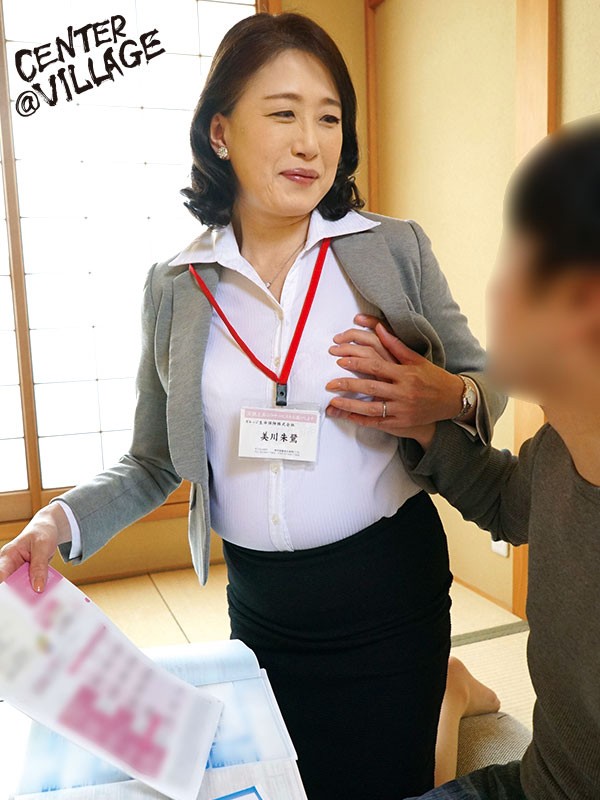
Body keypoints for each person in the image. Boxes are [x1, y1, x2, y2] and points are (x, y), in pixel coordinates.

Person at [0, 13, 506, 799]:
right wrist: (53, 523)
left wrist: (449, 395)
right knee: (291, 783)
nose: (310, 142)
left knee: (392, 780)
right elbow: (152, 460)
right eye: (283, 113)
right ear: (221, 133)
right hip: (265, 606)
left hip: (387, 590)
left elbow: (482, 379)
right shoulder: (176, 285)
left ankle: (442, 691)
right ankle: (450, 689)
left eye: (329, 118)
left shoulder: (389, 248)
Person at [329, 117, 600, 799]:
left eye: (519, 259)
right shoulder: (561, 447)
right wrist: (425, 423)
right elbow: (508, 501)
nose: (497, 288)